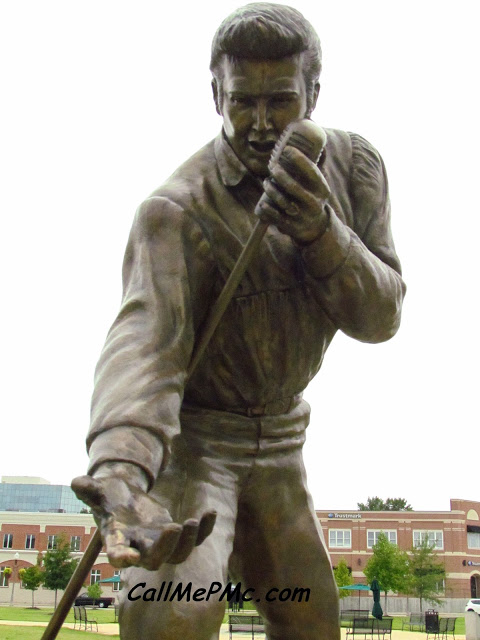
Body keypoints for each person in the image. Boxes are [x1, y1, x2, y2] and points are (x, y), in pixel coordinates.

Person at [73, 4, 406, 639]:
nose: (259, 125)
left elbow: (383, 316)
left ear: (313, 92)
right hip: (198, 447)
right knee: (174, 617)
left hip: (283, 442)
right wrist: (120, 470)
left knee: (313, 622)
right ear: (215, 94)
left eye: (280, 101)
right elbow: (145, 345)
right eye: (241, 102)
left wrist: (322, 236)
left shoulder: (355, 168)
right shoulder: (174, 212)